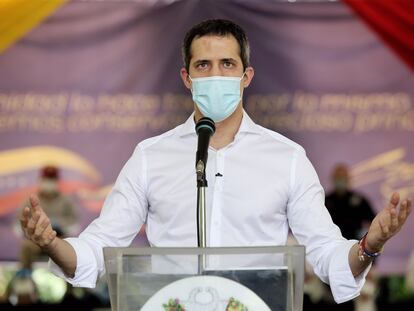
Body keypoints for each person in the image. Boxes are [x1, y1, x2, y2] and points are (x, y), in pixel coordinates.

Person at [19, 19, 411, 304]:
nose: (215, 75)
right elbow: (99, 249)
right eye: (203, 66)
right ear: (187, 77)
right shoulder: (150, 157)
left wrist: (370, 244)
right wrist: (52, 243)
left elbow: (326, 255)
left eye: (228, 65)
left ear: (247, 76)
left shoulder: (287, 158)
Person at [326, 164, 376, 241]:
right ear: (333, 179)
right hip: (331, 243)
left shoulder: (359, 200)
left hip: (354, 244)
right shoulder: (325, 201)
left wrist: (367, 236)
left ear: (348, 179)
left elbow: (373, 220)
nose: (341, 180)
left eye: (343, 177)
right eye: (338, 177)